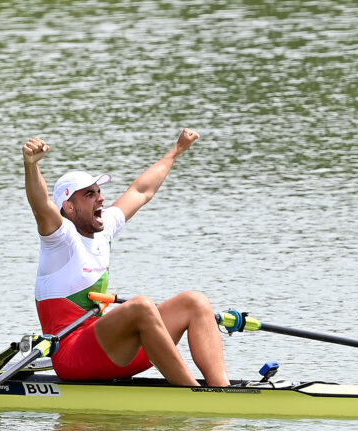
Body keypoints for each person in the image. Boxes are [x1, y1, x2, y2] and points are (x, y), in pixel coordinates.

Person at [22, 129, 230, 387]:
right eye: (90, 194)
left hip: (109, 351)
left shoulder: (104, 226)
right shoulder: (60, 240)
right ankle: (193, 393)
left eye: (98, 191)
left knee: (195, 302)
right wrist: (31, 166)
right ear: (69, 207)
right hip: (72, 356)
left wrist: (176, 152)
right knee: (141, 305)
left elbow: (142, 191)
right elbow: (40, 204)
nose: (101, 198)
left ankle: (222, 389)